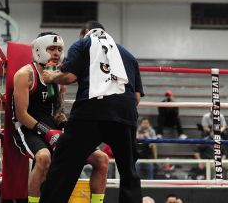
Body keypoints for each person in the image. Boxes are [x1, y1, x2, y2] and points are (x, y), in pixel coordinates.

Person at [41, 21, 144, 203]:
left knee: (65, 164)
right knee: (128, 172)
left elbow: (69, 76)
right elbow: (136, 98)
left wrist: (51, 77)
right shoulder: (128, 55)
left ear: (86, 32)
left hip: (91, 112)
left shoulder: (83, 43)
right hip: (125, 114)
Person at [13, 32, 109, 203]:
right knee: (43, 157)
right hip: (27, 128)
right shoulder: (25, 75)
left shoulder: (58, 77)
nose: (56, 53)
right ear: (39, 49)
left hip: (51, 128)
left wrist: (66, 126)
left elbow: (58, 112)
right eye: (51, 48)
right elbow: (22, 114)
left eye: (59, 49)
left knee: (101, 159)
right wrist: (47, 132)